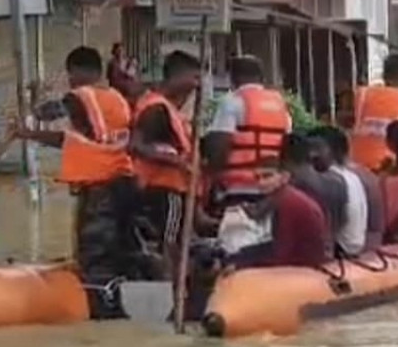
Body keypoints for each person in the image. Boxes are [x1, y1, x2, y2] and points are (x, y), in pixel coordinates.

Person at [16, 46, 138, 318]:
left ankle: (97, 310)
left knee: (94, 253)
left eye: (70, 75)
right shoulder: (116, 99)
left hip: (100, 189)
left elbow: (51, 112)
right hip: (124, 183)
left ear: (78, 72)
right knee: (118, 250)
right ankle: (120, 302)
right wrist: (29, 135)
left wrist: (31, 111)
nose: (69, 81)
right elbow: (73, 141)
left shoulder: (81, 96)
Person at [130, 51, 202, 278]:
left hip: (168, 189)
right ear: (178, 76)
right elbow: (136, 145)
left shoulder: (169, 109)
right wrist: (178, 162)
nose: (196, 85)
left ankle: (176, 288)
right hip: (163, 189)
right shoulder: (156, 107)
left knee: (174, 241)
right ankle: (171, 290)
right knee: (169, 243)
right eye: (194, 78)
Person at [204, 55, 293, 205]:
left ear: (233, 78)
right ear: (262, 78)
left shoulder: (232, 101)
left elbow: (219, 146)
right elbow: (289, 145)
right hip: (273, 187)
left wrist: (211, 177)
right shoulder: (280, 105)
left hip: (238, 188)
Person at [227, 161, 329, 270]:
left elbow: (282, 254)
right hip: (300, 263)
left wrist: (240, 264)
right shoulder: (284, 197)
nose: (261, 183)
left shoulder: (288, 203)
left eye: (267, 176)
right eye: (257, 178)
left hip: (303, 269)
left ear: (285, 177)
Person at [309, 126, 378, 256]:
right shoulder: (350, 176)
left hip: (342, 251)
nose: (312, 154)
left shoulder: (330, 179)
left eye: (316, 149)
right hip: (355, 247)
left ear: (333, 151)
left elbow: (329, 232)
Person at [347, 54, 398, 172]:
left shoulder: (362, 94)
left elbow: (346, 122)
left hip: (355, 165)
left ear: (383, 75)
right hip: (387, 168)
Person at [280, 131, 347, 257]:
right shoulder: (338, 182)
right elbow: (342, 220)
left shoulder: (291, 185)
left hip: (302, 261)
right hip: (331, 255)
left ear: (283, 158)